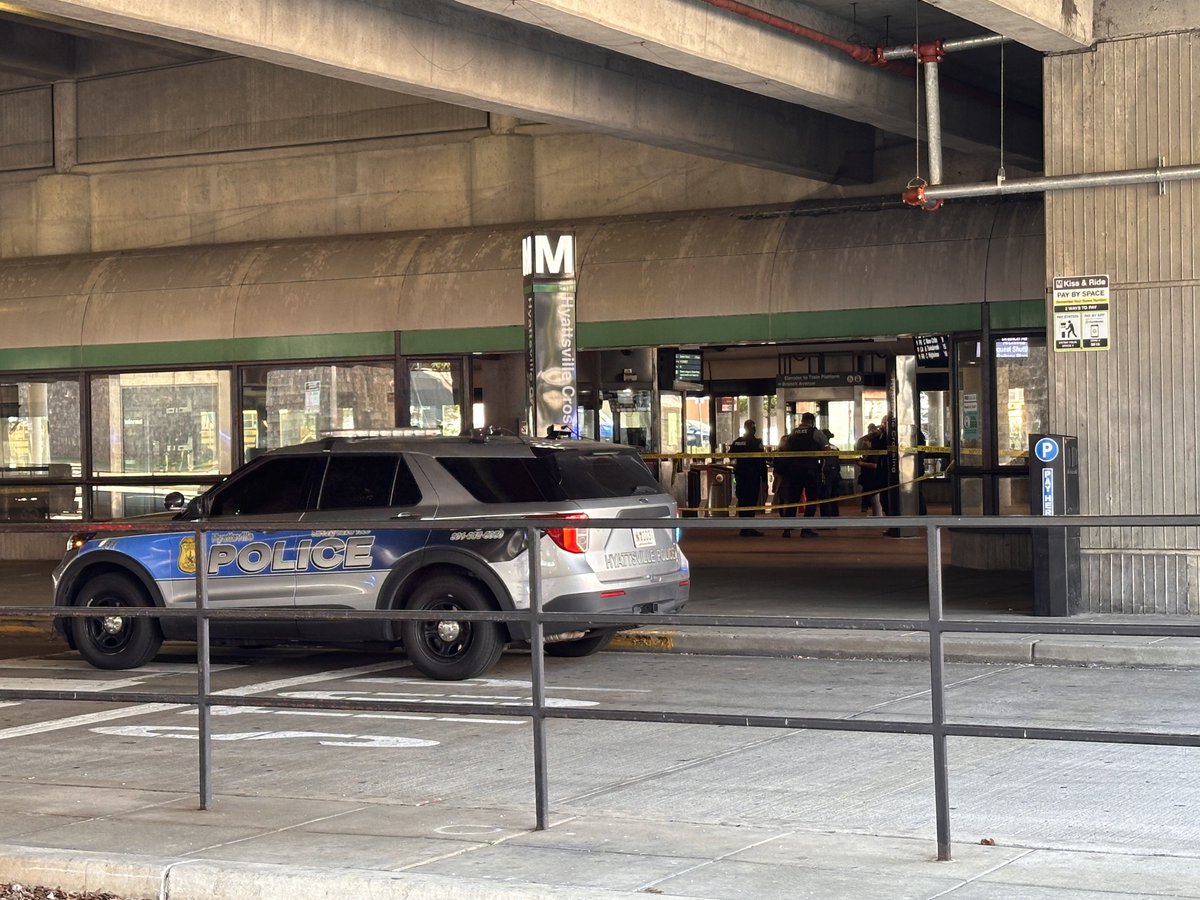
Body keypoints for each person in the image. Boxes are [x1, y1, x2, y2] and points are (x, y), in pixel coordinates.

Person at [775, 411, 828, 538]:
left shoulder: (792, 434)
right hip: (811, 471)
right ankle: (806, 529)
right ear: (812, 421)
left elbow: (785, 450)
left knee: (792, 500)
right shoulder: (816, 433)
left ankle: (787, 529)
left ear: (802, 421)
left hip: (794, 471)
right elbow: (827, 450)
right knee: (811, 500)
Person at [729, 419, 767, 536]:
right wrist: (764, 479)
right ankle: (748, 528)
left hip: (740, 475)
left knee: (742, 501)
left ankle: (744, 527)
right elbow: (761, 461)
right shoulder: (756, 443)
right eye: (754, 427)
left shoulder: (737, 442)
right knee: (750, 501)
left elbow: (730, 456)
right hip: (752, 476)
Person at [855, 424, 884, 516]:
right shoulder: (866, 452)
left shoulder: (874, 452)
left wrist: (862, 463)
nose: (864, 442)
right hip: (867, 478)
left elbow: (875, 465)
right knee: (872, 498)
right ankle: (875, 515)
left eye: (866, 441)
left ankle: (878, 516)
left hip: (874, 478)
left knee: (876, 499)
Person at [819, 429, 842, 519]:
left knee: (825, 497)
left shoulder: (821, 449)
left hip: (825, 475)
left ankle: (826, 520)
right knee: (834, 497)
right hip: (836, 474)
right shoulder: (835, 448)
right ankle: (835, 518)